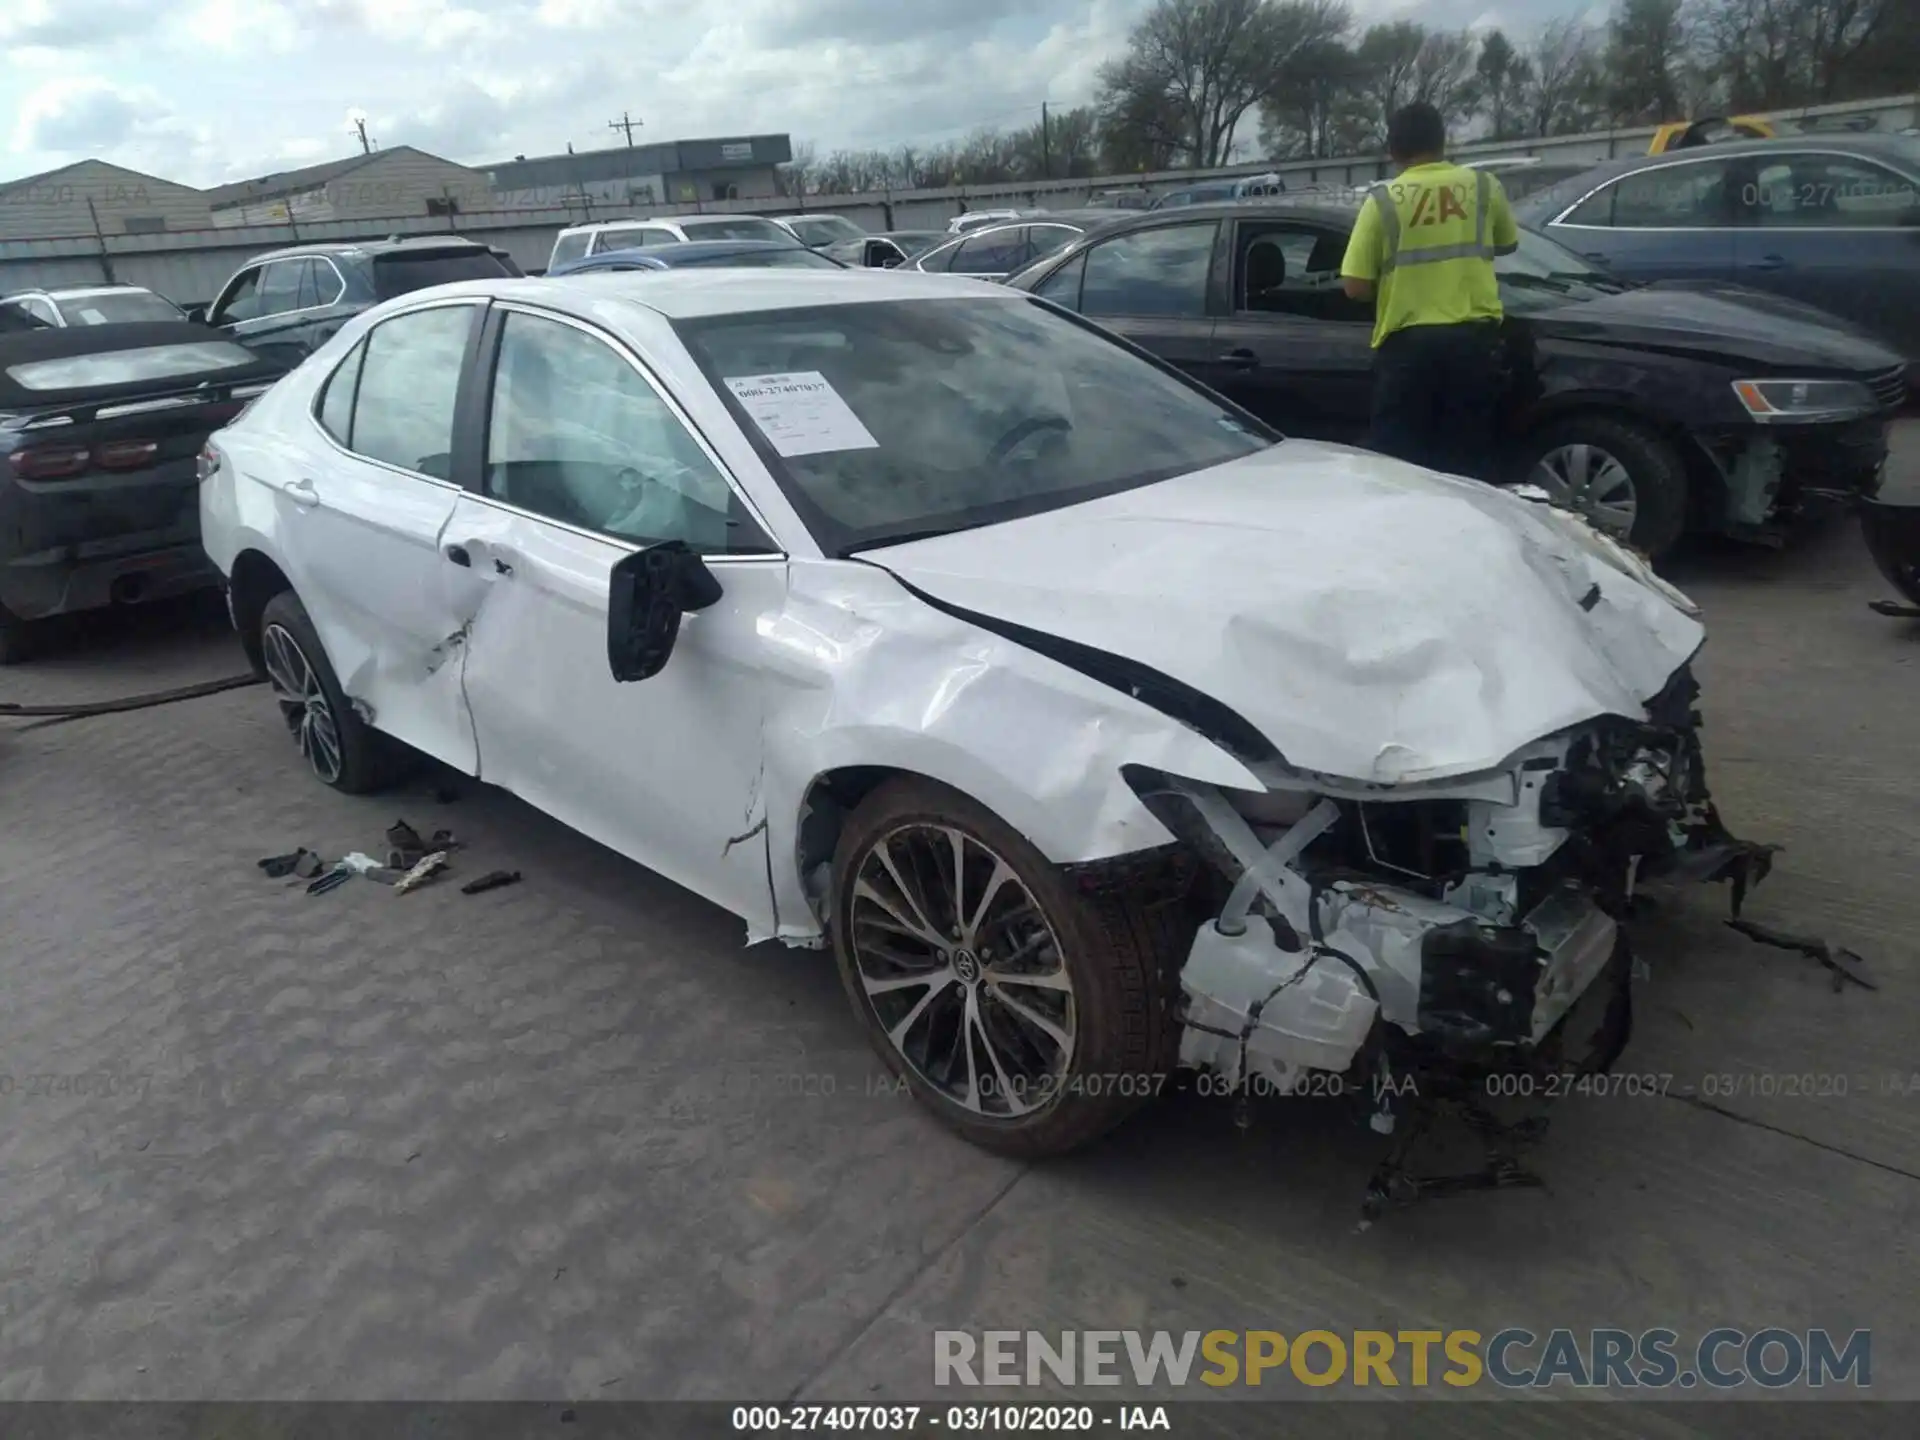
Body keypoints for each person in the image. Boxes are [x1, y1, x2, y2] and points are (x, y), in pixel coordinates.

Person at [1340, 102, 1519, 481]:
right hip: (1474, 344)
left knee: (1400, 470)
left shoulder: (1383, 200)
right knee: (1467, 466)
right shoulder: (1485, 186)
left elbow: (1354, 287)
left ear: (1393, 150)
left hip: (1408, 351)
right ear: (1443, 142)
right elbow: (1506, 244)